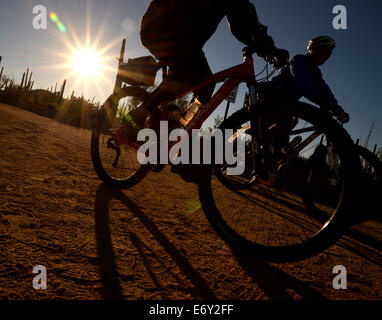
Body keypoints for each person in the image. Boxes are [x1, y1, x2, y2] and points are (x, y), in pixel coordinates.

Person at [116, 0, 289, 141]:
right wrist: (268, 48)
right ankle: (150, 126)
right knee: (198, 79)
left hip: (167, 29)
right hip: (169, 29)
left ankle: (169, 130)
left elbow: (243, 19)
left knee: (193, 80)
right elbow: (244, 22)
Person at [260, 35, 350, 164]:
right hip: (272, 96)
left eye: (329, 53)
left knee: (291, 123)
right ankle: (265, 147)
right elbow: (302, 82)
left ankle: (275, 152)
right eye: (324, 50)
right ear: (312, 49)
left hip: (287, 103)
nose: (327, 55)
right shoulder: (298, 60)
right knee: (285, 124)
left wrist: (338, 111)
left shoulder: (316, 72)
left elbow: (325, 91)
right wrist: (319, 101)